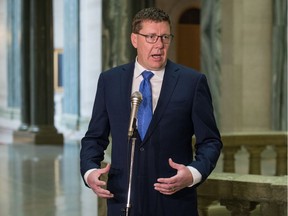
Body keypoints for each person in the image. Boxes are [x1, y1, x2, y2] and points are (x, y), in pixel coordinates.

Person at [80, 7, 222, 216]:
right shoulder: (110, 81)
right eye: (151, 37)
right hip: (123, 199)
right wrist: (90, 172)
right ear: (134, 39)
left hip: (174, 201)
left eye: (165, 37)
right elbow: (94, 137)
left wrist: (192, 174)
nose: (159, 45)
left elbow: (210, 141)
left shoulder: (192, 82)